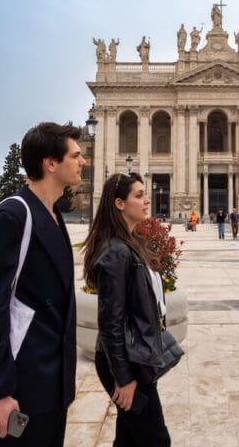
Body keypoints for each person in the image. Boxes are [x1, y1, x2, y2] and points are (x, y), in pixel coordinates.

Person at [0, 122, 85, 446]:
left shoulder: (51, 213)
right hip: (19, 391)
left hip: (51, 386)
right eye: (76, 155)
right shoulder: (13, 215)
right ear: (50, 163)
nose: (83, 161)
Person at [82, 173, 173, 447]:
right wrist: (123, 378)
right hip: (125, 362)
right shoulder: (115, 252)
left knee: (130, 438)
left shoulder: (131, 245)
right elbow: (110, 321)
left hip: (136, 357)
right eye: (139, 195)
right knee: (155, 439)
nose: (147, 200)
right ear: (119, 204)